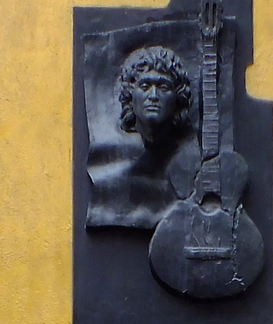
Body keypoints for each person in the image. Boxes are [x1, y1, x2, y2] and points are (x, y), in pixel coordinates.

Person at [86, 45, 201, 229]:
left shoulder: (197, 165)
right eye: (145, 86)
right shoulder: (110, 176)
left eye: (163, 87)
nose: (153, 96)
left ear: (178, 97)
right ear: (131, 95)